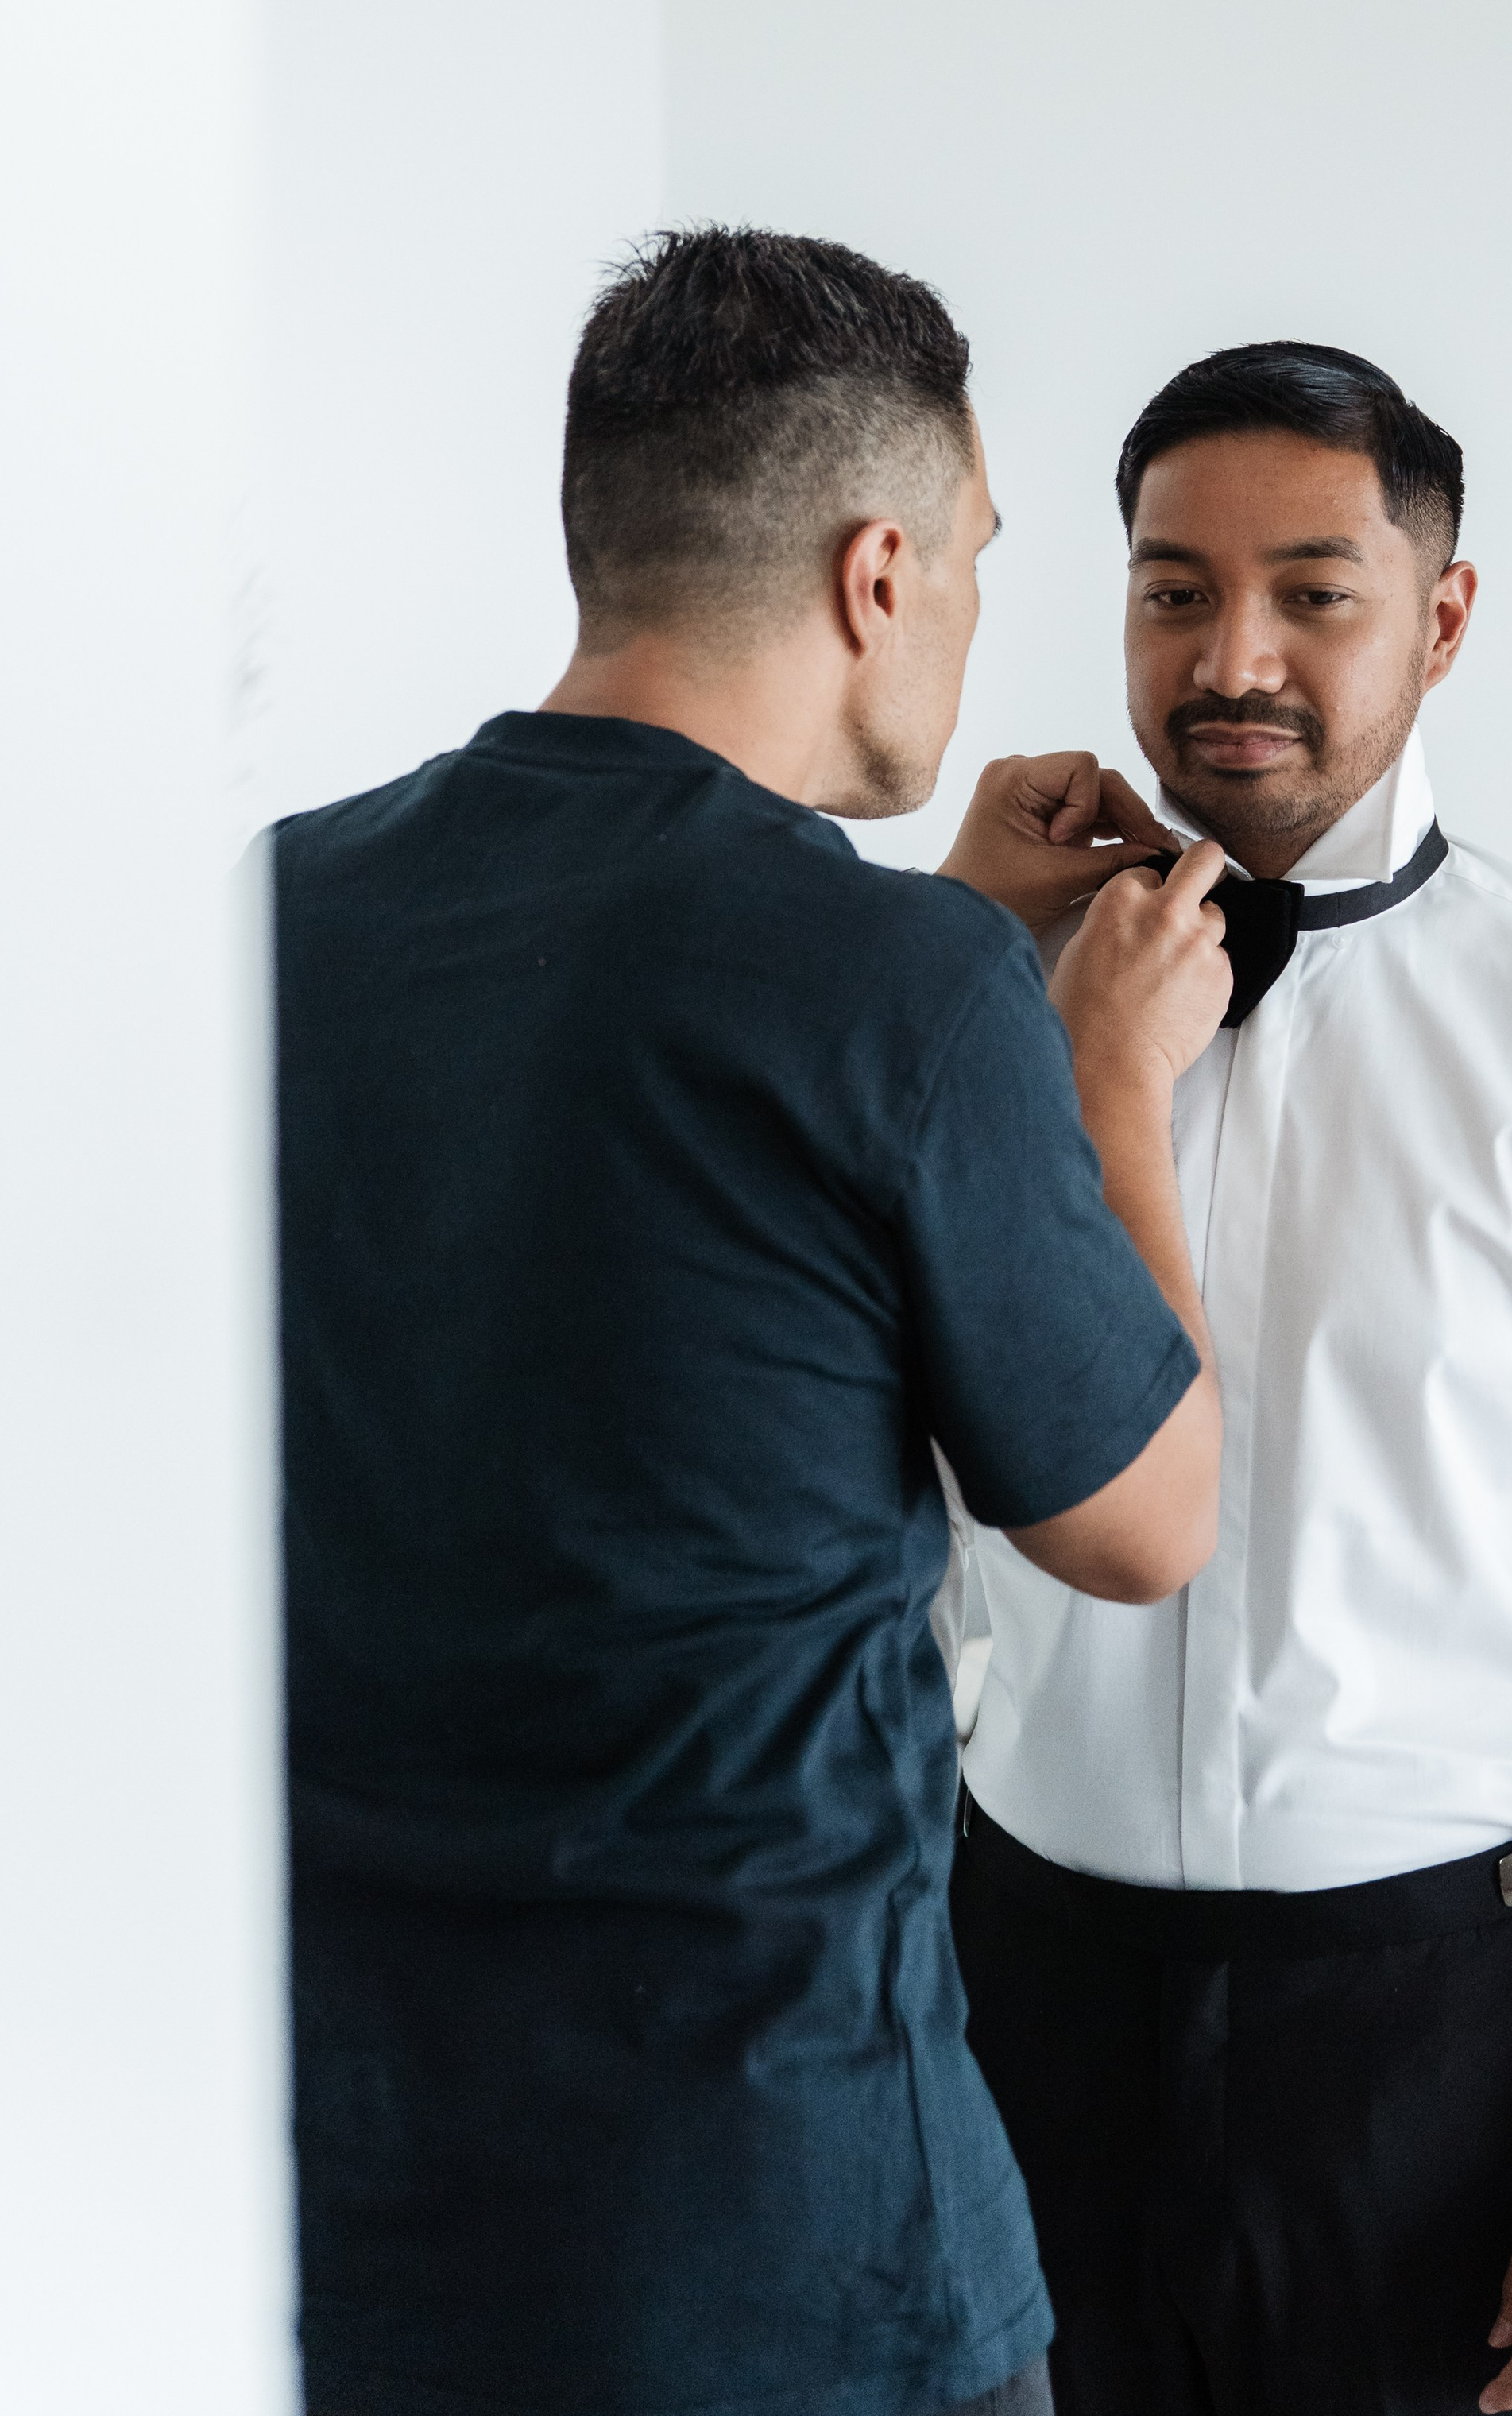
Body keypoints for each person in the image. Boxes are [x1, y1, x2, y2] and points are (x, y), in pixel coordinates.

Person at [273, 227, 1238, 2416]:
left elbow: (633, 1126)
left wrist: (929, 963)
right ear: (878, 573)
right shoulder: (907, 998)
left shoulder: (272, 909)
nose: (982, 622)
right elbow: (1143, 1521)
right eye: (982, 559)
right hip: (782, 2238)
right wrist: (1096, 1080)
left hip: (346, 2211)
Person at [936, 342, 1512, 2416]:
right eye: (1172, 589)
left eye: (1312, 591)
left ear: (1443, 617)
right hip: (1021, 1998)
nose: (1229, 653)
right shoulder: (984, 1006)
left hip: (1446, 2037)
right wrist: (959, 978)